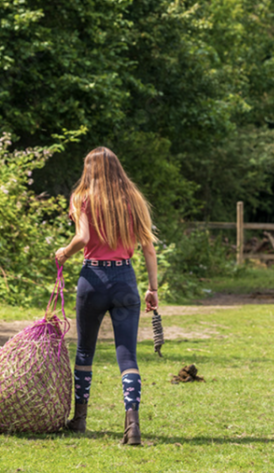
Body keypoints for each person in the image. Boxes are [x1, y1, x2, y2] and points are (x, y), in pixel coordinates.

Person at [55, 147, 159, 446]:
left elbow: (83, 238)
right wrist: (152, 289)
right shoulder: (135, 200)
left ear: (90, 170)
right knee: (127, 355)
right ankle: (133, 426)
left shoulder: (82, 197)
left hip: (93, 281)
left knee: (85, 351)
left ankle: (79, 419)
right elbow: (149, 249)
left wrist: (64, 253)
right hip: (125, 280)